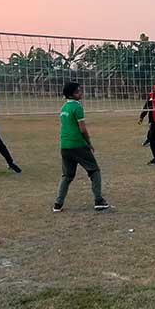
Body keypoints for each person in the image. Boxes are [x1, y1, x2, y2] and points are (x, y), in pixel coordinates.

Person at [54, 82, 110, 212]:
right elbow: (82, 129)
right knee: (94, 171)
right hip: (77, 144)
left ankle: (58, 204)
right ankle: (99, 201)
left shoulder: (64, 107)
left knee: (67, 176)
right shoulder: (77, 106)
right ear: (72, 94)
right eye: (79, 91)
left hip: (64, 145)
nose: (81, 93)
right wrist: (89, 143)